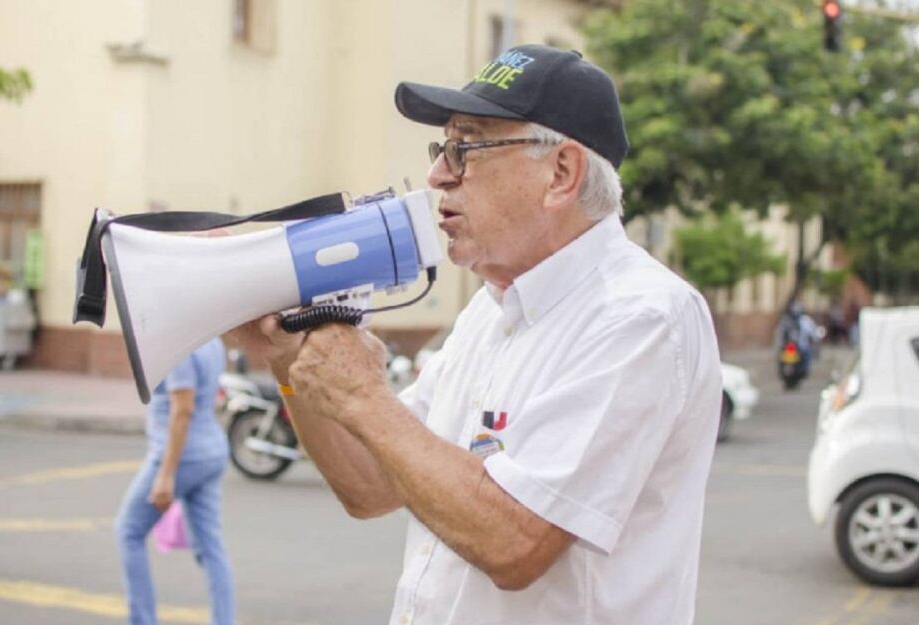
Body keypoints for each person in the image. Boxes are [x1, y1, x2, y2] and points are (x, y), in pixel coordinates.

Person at [229, 45, 721, 625]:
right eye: (443, 148)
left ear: (561, 173)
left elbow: (515, 543)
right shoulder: (491, 311)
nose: (438, 174)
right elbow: (370, 487)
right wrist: (287, 360)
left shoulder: (642, 318)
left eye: (466, 147)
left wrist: (363, 395)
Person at [115, 338, 234, 625]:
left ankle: (142, 620)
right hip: (211, 449)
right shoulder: (212, 340)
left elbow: (183, 410)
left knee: (128, 531)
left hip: (184, 456)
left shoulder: (179, 347)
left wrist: (166, 475)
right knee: (211, 547)